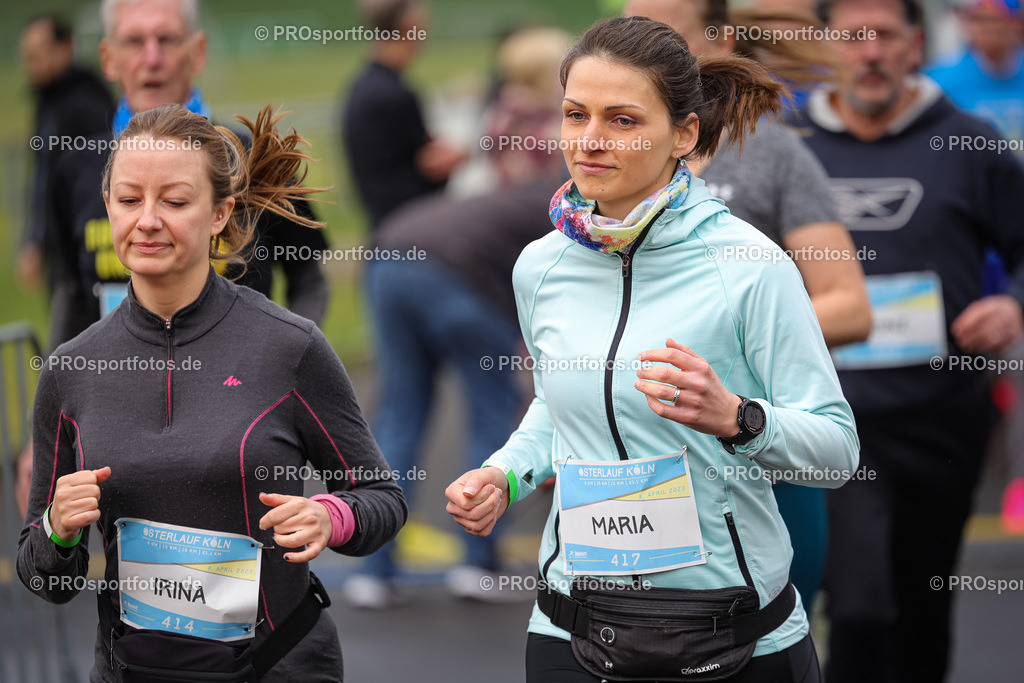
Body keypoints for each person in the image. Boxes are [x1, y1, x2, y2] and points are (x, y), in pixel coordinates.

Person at [446, 16, 859, 682]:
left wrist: (739, 418)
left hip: (732, 634)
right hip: (571, 625)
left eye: (623, 120)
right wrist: (504, 474)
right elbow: (558, 409)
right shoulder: (541, 266)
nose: (590, 140)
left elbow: (837, 451)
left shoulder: (751, 266)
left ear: (684, 134)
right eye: (575, 114)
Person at [17, 103, 407, 682]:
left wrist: (331, 517)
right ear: (109, 208)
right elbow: (47, 579)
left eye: (174, 201)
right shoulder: (71, 369)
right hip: (132, 671)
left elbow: (382, 498)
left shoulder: (288, 347)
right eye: (129, 200)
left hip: (278, 666)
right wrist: (58, 529)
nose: (147, 220)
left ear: (221, 212)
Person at [790, 0, 1024, 679]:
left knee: (923, 604)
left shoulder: (970, 142)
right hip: (828, 414)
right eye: (852, 38)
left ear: (915, 45)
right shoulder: (788, 145)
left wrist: (1011, 304)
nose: (869, 54)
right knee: (861, 602)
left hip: (941, 413)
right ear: (825, 48)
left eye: (885, 37)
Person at [624, 0, 871, 613]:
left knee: (764, 640)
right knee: (631, 645)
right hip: (638, 466)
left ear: (717, 41)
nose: (639, 58)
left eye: (664, 37)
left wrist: (726, 347)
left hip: (757, 458)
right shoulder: (611, 162)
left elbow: (849, 305)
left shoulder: (770, 153)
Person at [45, 0, 329, 344]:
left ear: (198, 51)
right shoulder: (75, 167)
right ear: (108, 58)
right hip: (119, 391)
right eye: (134, 42)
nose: (152, 58)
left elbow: (308, 279)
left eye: (166, 40)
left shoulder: (252, 155)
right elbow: (71, 291)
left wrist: (283, 360)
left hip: (237, 390)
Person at [18, 14, 115, 337]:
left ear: (65, 48)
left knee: (87, 338)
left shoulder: (90, 103)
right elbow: (42, 179)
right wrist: (34, 238)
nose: (32, 63)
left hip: (83, 247)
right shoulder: (47, 102)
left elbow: (98, 182)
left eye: (39, 52)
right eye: (27, 55)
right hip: (57, 245)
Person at [341, 0, 467, 234]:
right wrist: (463, 154)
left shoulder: (364, 85)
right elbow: (430, 164)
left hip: (383, 226)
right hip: (408, 230)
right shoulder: (393, 93)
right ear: (410, 25)